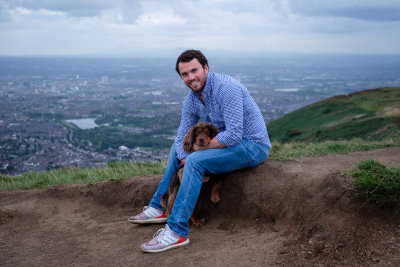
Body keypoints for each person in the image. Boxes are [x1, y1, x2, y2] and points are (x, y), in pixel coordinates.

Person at [128, 49, 271, 253]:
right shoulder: (193, 99)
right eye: (184, 74)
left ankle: (176, 232)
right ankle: (159, 207)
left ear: (206, 68)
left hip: (252, 146)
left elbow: (234, 135)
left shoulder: (225, 88)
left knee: (195, 161)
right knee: (176, 150)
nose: (190, 78)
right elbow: (180, 139)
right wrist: (186, 158)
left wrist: (194, 155)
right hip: (229, 146)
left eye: (194, 70)